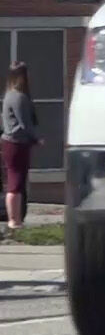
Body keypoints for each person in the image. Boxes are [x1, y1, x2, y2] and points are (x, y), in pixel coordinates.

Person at [2, 63, 39, 234]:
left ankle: (15, 219)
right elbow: (25, 123)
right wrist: (37, 138)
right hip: (17, 143)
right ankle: (14, 221)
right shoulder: (19, 98)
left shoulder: (9, 95)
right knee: (15, 181)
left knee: (15, 180)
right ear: (21, 77)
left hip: (10, 141)